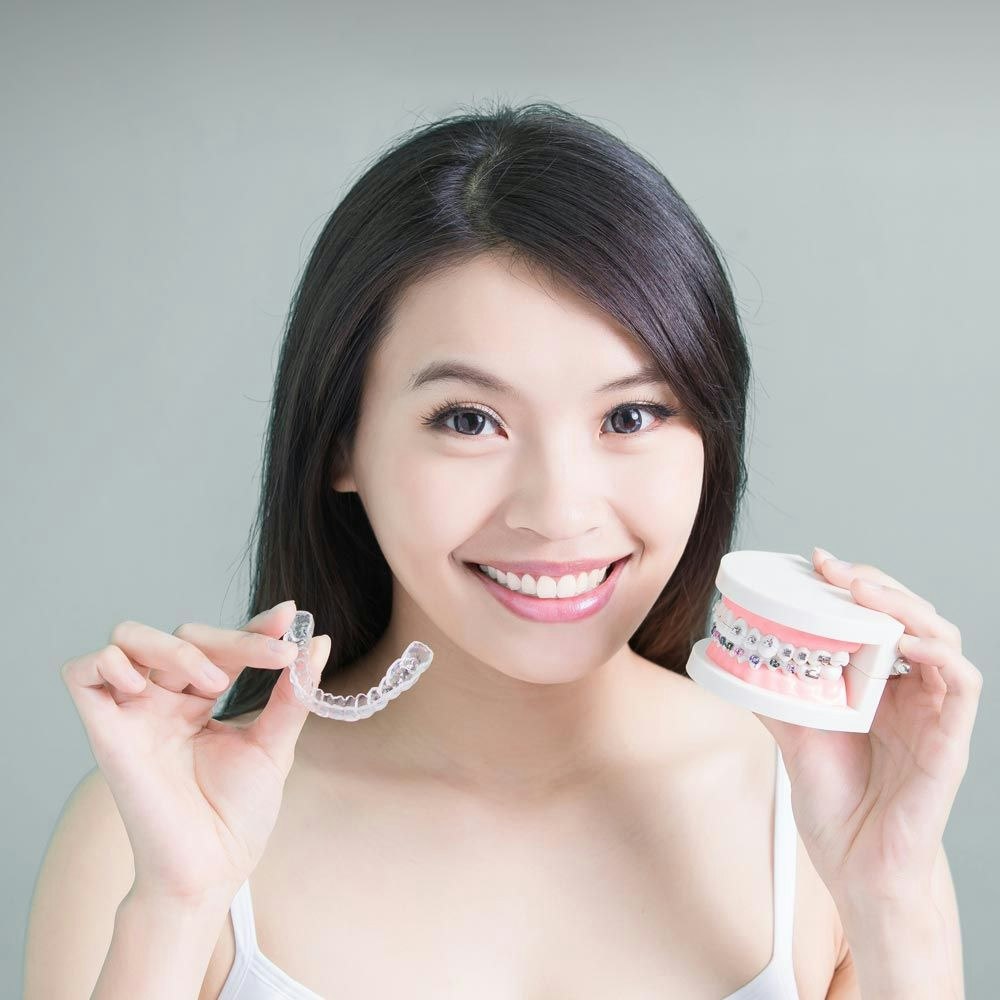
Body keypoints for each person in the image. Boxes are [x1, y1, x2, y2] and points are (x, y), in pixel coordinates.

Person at [24, 101, 976, 999]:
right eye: (470, 419)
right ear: (342, 442)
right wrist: (177, 909)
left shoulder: (827, 823)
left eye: (632, 414)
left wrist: (893, 901)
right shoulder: (152, 835)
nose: (558, 511)